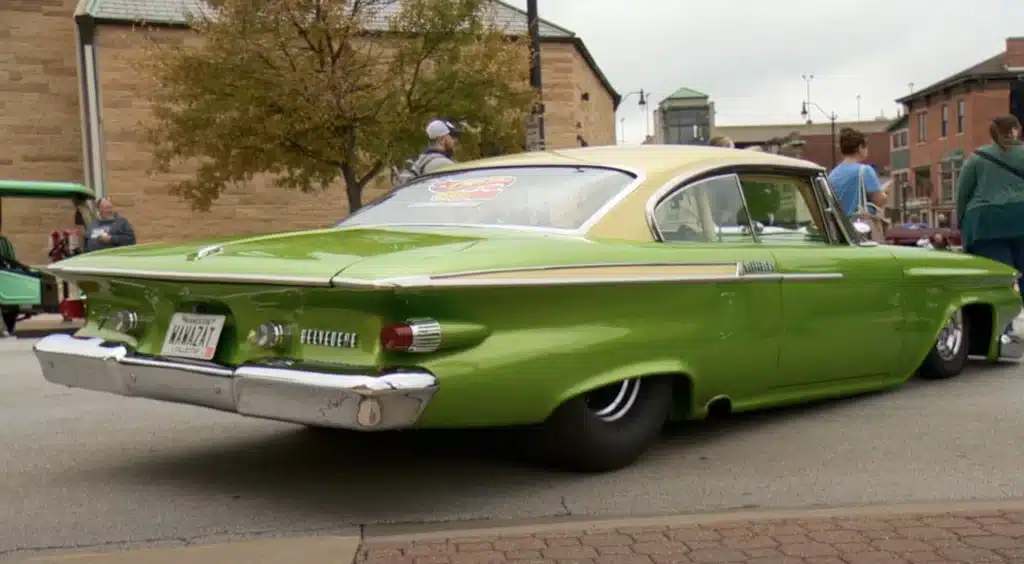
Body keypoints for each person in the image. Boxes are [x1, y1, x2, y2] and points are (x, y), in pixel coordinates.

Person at [956, 115, 1024, 310]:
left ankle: (1001, 329)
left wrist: (962, 223)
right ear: (1014, 130)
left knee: (998, 280)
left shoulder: (977, 158)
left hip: (986, 225)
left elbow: (963, 193)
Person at [827, 128, 888, 217]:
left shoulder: (832, 175)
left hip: (841, 226)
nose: (867, 150)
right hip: (860, 226)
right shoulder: (865, 171)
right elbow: (878, 201)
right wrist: (885, 193)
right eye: (866, 146)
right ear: (860, 148)